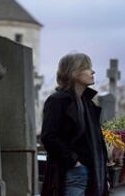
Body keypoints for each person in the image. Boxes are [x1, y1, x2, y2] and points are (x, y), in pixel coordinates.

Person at [41, 53, 109, 196]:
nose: (93, 71)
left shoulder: (88, 103)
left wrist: (105, 174)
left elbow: (96, 141)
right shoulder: (57, 101)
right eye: (87, 68)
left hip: (93, 174)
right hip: (72, 174)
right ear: (74, 72)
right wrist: (74, 162)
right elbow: (49, 136)